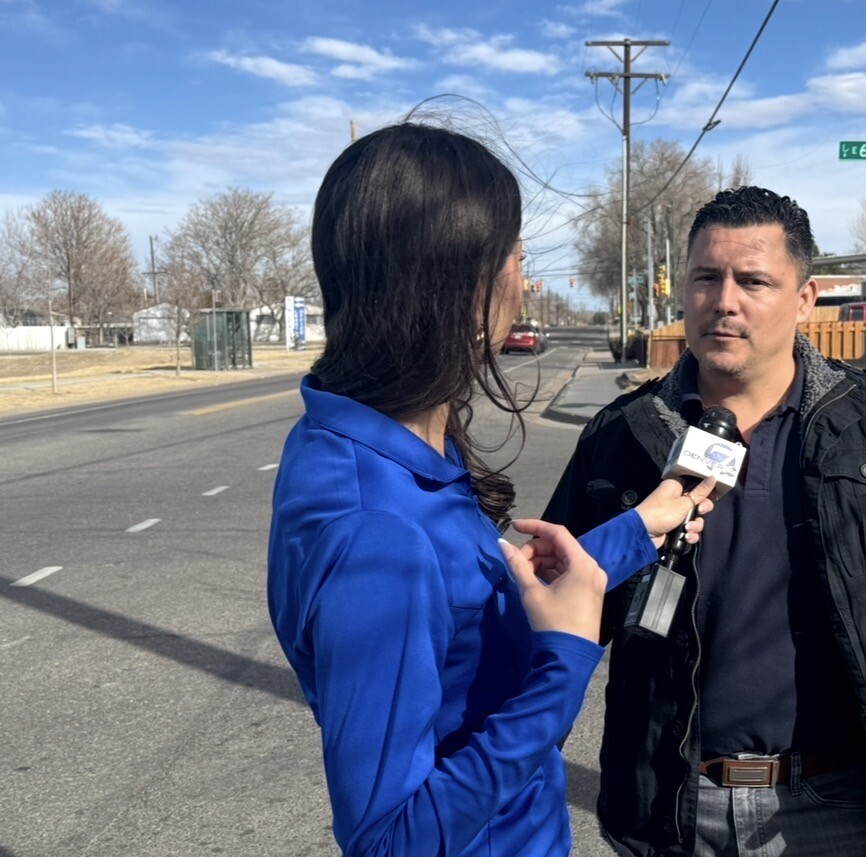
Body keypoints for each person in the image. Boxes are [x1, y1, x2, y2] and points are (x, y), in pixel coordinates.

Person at [266, 121, 715, 857]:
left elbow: (470, 611)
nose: (522, 280)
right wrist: (562, 666)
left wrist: (639, 526)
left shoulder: (363, 440)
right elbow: (388, 840)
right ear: (454, 282)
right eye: (514, 257)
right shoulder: (375, 530)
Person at [543, 186, 866, 857]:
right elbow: (555, 611)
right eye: (707, 277)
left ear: (805, 297)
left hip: (831, 805)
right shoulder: (623, 435)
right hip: (673, 808)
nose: (725, 300)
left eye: (754, 281)